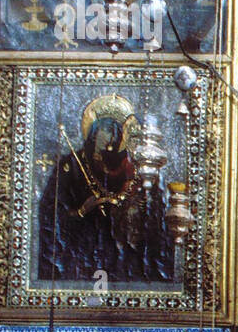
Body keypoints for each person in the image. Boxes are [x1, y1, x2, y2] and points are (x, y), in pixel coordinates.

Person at [38, 94, 173, 284]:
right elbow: (50, 212)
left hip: (121, 255)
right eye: (104, 130)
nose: (108, 137)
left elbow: (154, 214)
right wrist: (82, 210)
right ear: (93, 131)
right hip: (82, 248)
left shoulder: (134, 167)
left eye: (114, 132)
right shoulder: (72, 165)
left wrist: (137, 209)